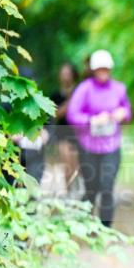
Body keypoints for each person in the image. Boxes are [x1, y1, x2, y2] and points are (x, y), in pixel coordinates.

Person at [66, 49, 132, 227]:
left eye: (106, 68)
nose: (103, 72)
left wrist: (122, 114)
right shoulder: (84, 89)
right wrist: (92, 120)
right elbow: (72, 115)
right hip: (89, 146)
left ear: (110, 69)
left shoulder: (119, 88)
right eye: (100, 69)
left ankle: (105, 229)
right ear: (94, 70)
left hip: (112, 146)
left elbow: (128, 111)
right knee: (91, 188)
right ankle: (84, 225)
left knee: (107, 186)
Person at [49, 62, 82, 196]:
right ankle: (69, 193)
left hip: (79, 133)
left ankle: (76, 190)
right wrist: (70, 102)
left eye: (68, 73)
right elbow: (55, 114)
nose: (65, 77)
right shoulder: (55, 95)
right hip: (62, 133)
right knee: (67, 164)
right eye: (63, 74)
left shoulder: (80, 91)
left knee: (77, 165)